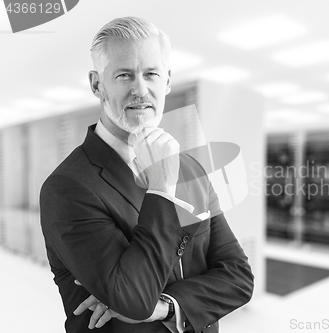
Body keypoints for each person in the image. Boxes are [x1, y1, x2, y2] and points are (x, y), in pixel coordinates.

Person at [40, 17, 254, 333]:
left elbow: (238, 277)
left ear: (167, 81)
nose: (141, 89)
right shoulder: (68, 187)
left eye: (151, 74)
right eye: (124, 75)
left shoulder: (191, 169)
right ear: (97, 84)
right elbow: (133, 299)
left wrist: (166, 307)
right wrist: (161, 188)